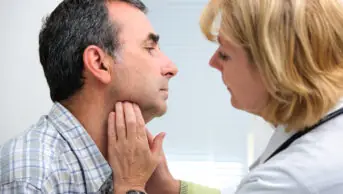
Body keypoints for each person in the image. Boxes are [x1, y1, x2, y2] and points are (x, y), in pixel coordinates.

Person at [109, 0, 343, 193]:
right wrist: (172, 189)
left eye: (224, 54)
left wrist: (131, 186)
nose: (212, 62)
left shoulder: (287, 181)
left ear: (273, 66)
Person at [0, 0, 178, 193]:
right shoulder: (35, 176)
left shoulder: (126, 166)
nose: (172, 68)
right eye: (150, 48)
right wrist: (131, 187)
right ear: (99, 63)